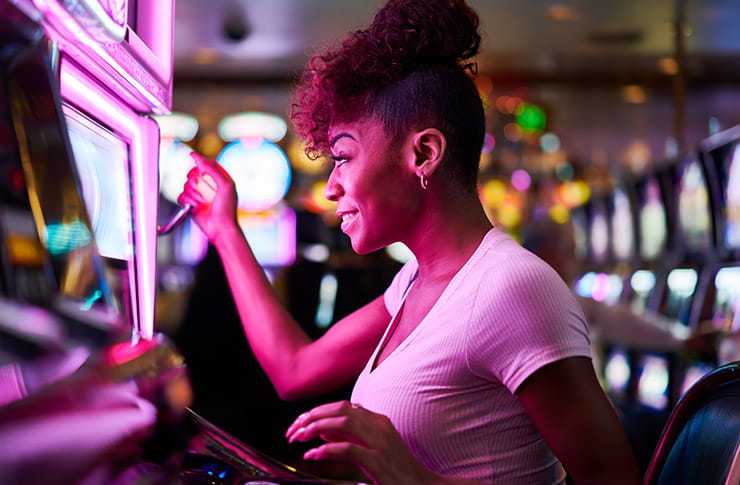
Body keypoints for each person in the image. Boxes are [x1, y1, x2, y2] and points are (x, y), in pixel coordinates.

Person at [177, 0, 643, 483]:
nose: (332, 185)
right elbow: (295, 369)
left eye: (343, 156)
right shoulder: (414, 282)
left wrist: (414, 479)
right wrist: (224, 230)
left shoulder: (511, 287)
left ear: (424, 153)